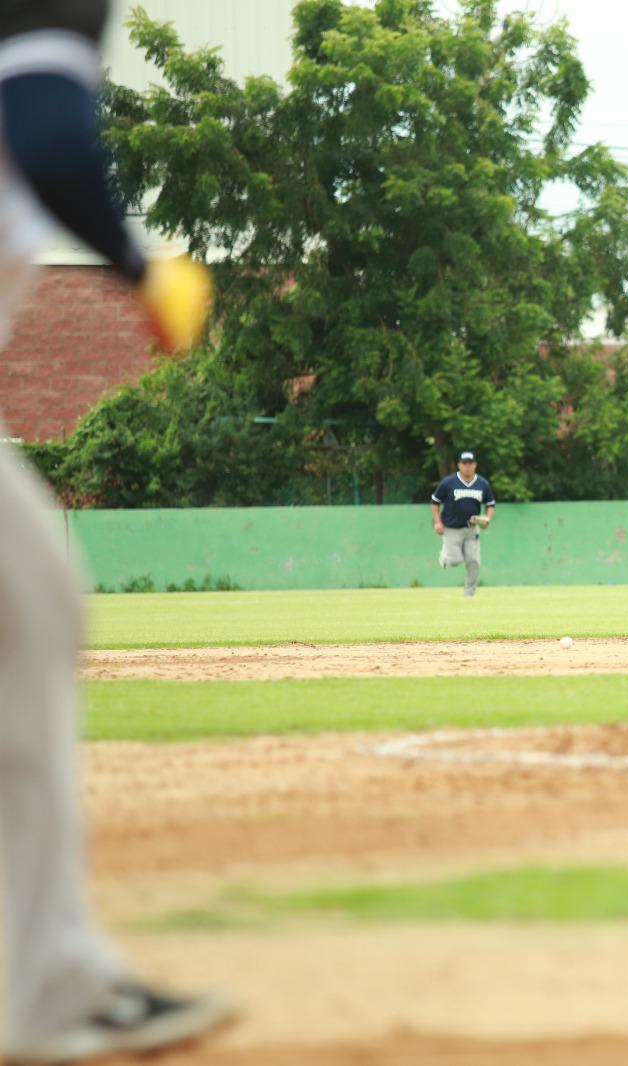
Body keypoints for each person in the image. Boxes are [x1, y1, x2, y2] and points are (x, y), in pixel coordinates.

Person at [0, 2, 234, 1061]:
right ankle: (53, 986)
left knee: (36, 587)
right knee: (34, 605)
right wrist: (137, 268)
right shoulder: (37, 32)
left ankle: (56, 978)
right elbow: (49, 134)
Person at [431, 450, 495, 597]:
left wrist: (487, 517)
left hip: (472, 529)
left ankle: (469, 594)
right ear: (459, 465)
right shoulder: (448, 482)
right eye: (464, 463)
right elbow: (435, 502)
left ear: (475, 465)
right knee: (454, 561)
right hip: (451, 529)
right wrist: (437, 522)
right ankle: (445, 554)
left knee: (473, 562)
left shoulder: (482, 483)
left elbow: (490, 504)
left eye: (470, 463)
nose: (467, 467)